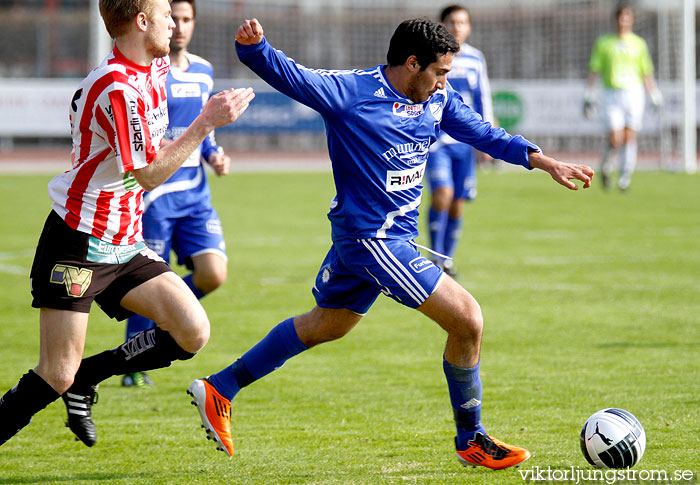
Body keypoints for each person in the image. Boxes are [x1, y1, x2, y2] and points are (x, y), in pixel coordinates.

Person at [187, 17, 593, 470]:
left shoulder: (436, 100)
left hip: (379, 239)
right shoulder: (351, 93)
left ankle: (221, 387)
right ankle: (471, 438)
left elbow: (484, 133)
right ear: (412, 63)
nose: (443, 83)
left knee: (328, 325)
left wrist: (543, 160)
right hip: (373, 239)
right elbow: (294, 76)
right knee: (468, 321)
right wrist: (256, 49)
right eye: (439, 72)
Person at [0, 0, 253, 449]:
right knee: (55, 372)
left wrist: (206, 141)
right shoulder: (117, 86)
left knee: (193, 330)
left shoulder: (152, 70)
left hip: (124, 242)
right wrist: (206, 123)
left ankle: (88, 378)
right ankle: (67, 384)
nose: (173, 23)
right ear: (141, 22)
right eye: (164, 15)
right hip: (78, 241)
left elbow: (154, 149)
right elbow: (149, 173)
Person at [122, 0, 231, 388]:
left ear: (194, 23)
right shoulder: (149, 71)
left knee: (213, 274)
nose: (179, 26)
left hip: (195, 195)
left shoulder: (204, 71)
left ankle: (165, 316)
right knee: (150, 281)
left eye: (186, 19)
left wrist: (214, 153)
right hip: (155, 197)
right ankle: (133, 360)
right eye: (173, 18)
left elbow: (206, 127)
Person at [426, 5, 494, 276]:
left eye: (463, 22)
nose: (458, 27)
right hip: (436, 141)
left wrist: (485, 140)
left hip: (464, 143)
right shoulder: (432, 57)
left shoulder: (476, 59)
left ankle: (448, 260)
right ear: (442, 26)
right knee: (443, 194)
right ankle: (434, 258)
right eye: (452, 22)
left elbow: (483, 98)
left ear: (469, 27)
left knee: (458, 202)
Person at [584, 4, 662, 191]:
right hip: (611, 93)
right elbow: (595, 69)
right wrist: (589, 94)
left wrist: (654, 94)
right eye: (621, 17)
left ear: (632, 20)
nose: (623, 21)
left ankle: (624, 177)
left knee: (630, 136)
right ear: (616, 19)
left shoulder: (638, 44)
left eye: (627, 17)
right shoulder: (604, 43)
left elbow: (646, 71)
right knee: (615, 137)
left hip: (634, 93)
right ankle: (606, 165)